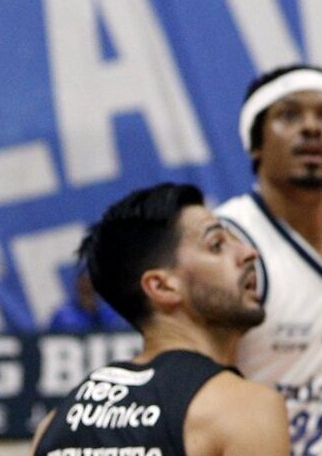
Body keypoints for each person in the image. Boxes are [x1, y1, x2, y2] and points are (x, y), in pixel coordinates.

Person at [31, 184, 287, 456]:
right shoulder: (244, 410)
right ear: (162, 286)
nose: (249, 253)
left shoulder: (53, 424)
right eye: (216, 245)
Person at [213, 66, 322, 456]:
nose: (312, 128)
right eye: (289, 115)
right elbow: (193, 397)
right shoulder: (225, 245)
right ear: (255, 144)